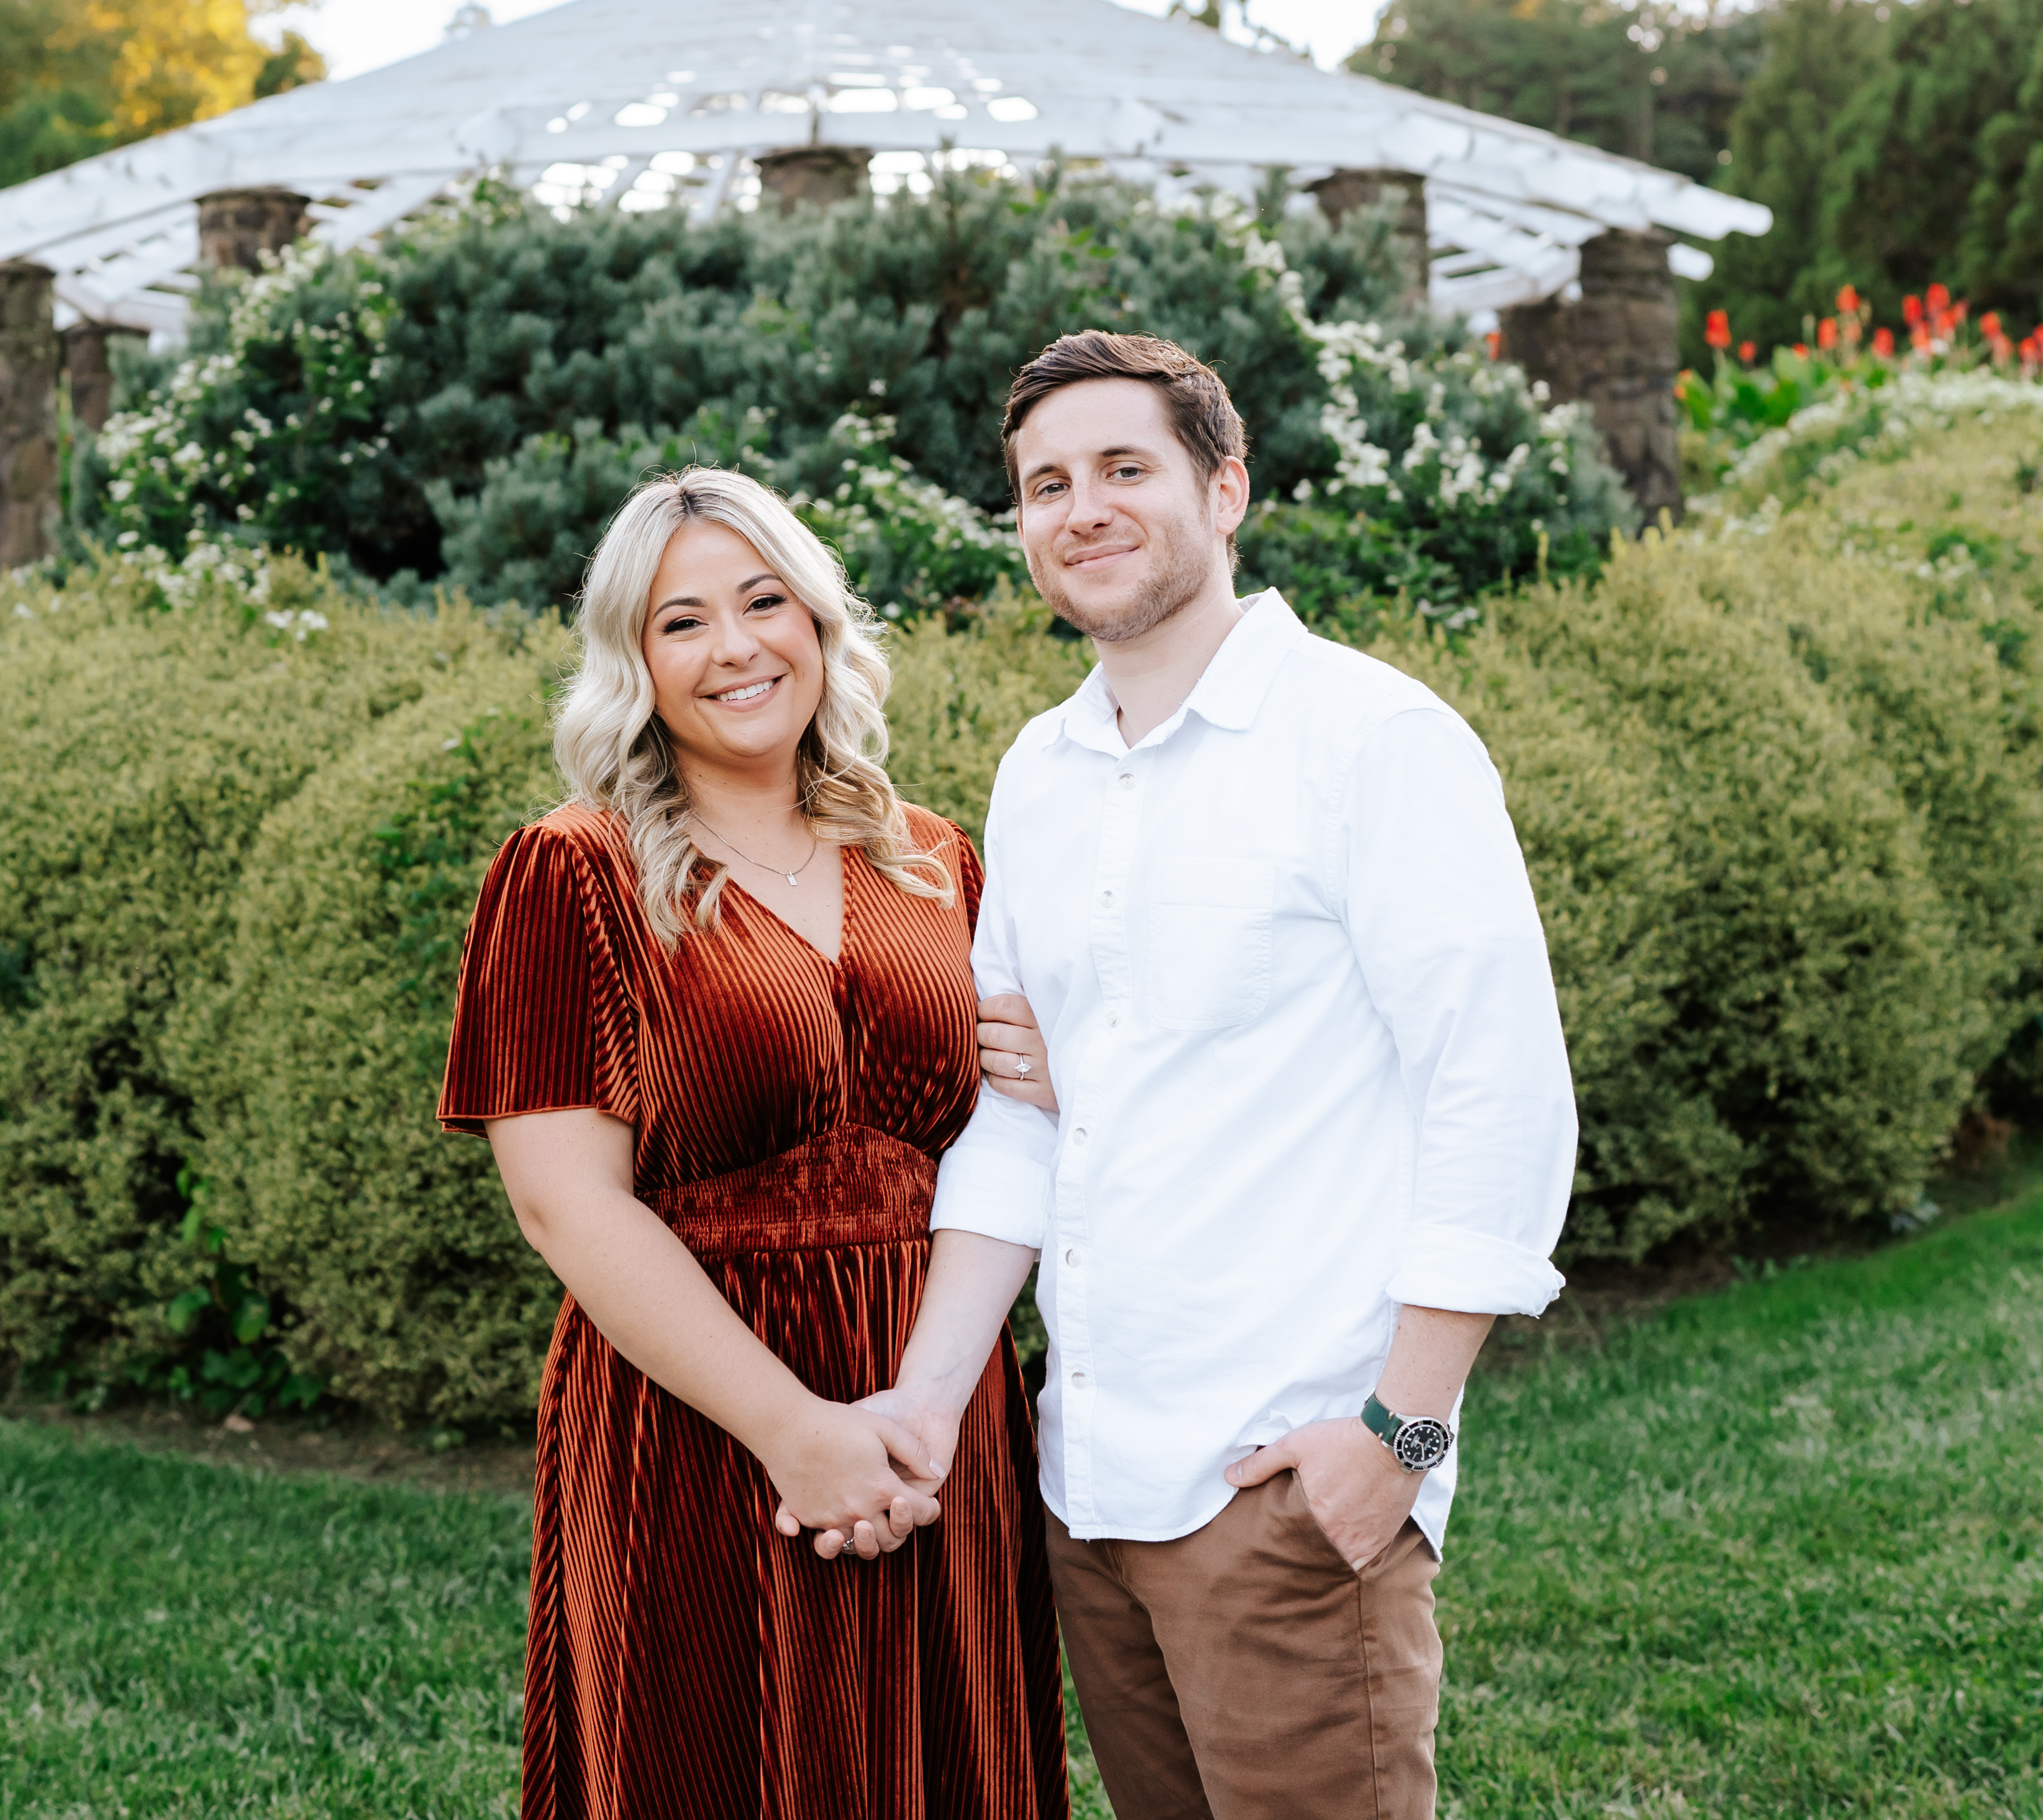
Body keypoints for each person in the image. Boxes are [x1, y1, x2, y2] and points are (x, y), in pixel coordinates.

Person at [860, 329, 1580, 1820]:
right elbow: (1016, 1109)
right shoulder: (1040, 771)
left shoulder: (1373, 739)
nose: (1084, 508)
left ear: (1226, 486)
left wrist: (1399, 1435)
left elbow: (1498, 1096)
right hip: (1088, 1491)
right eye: (1045, 483)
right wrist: (930, 1400)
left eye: (1127, 467)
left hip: (1288, 1486)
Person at [438, 466, 1070, 1820]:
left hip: (935, 1402)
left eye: (763, 600)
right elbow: (567, 1208)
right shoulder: (574, 871)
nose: (735, 646)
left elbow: (1005, 1135)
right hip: (702, 1418)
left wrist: (916, 1412)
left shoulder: (933, 860)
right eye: (682, 621)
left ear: (820, 622)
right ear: (634, 662)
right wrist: (796, 1433)